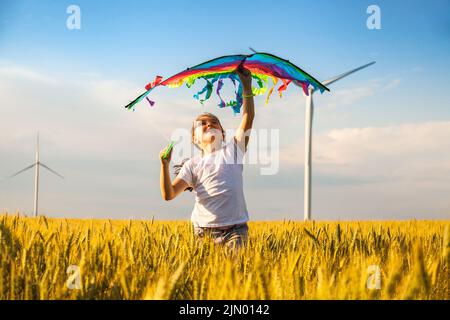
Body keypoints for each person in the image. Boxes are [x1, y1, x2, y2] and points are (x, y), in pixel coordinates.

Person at [159, 65, 254, 249]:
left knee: (234, 275)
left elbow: (248, 117)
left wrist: (247, 86)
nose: (209, 124)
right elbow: (169, 194)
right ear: (194, 138)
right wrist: (164, 165)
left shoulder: (233, 151)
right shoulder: (192, 165)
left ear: (223, 135)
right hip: (204, 232)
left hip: (236, 231)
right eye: (202, 124)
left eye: (214, 122)